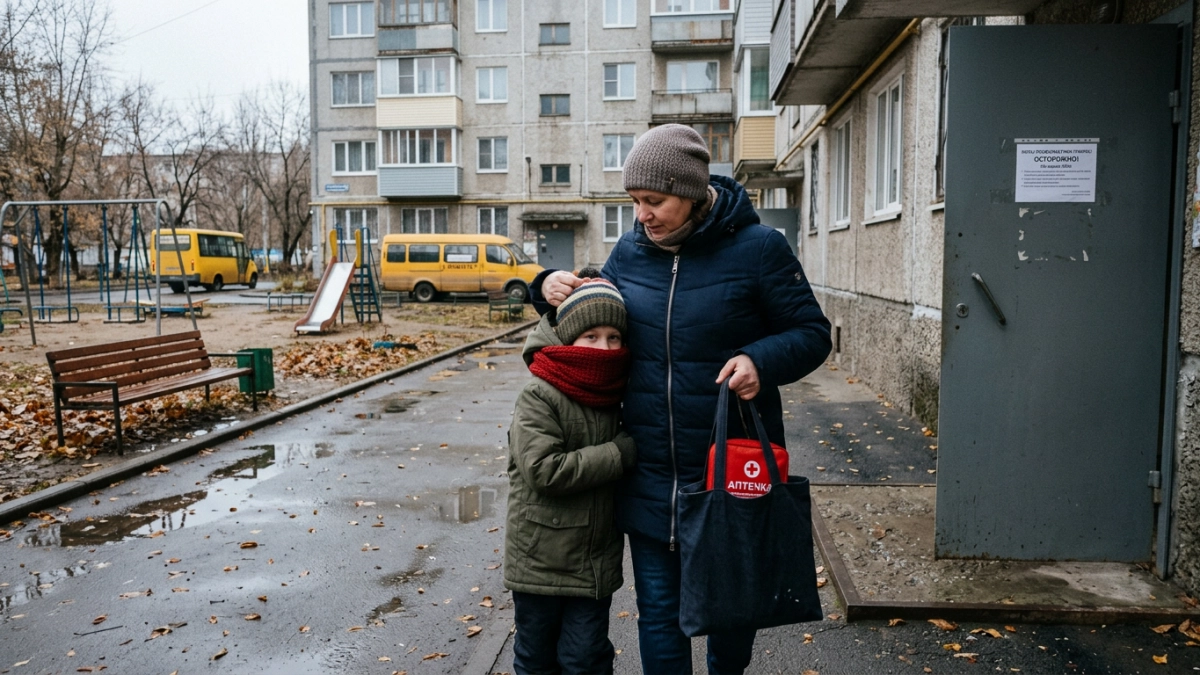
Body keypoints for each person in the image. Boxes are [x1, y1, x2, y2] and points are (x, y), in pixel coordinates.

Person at [531, 124, 832, 674]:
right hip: (650, 472)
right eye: (634, 201)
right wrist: (546, 287)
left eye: (654, 201)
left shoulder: (760, 248)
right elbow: (589, 317)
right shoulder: (629, 252)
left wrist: (760, 360)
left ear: (692, 195)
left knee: (732, 615)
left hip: (727, 469)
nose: (642, 214)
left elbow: (813, 334)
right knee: (659, 615)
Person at [504, 271, 638, 675]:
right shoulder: (541, 392)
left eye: (614, 337)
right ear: (569, 338)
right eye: (591, 336)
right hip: (539, 561)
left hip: (593, 564)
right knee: (536, 659)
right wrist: (619, 453)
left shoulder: (616, 392)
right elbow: (544, 470)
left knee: (585, 660)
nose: (605, 346)